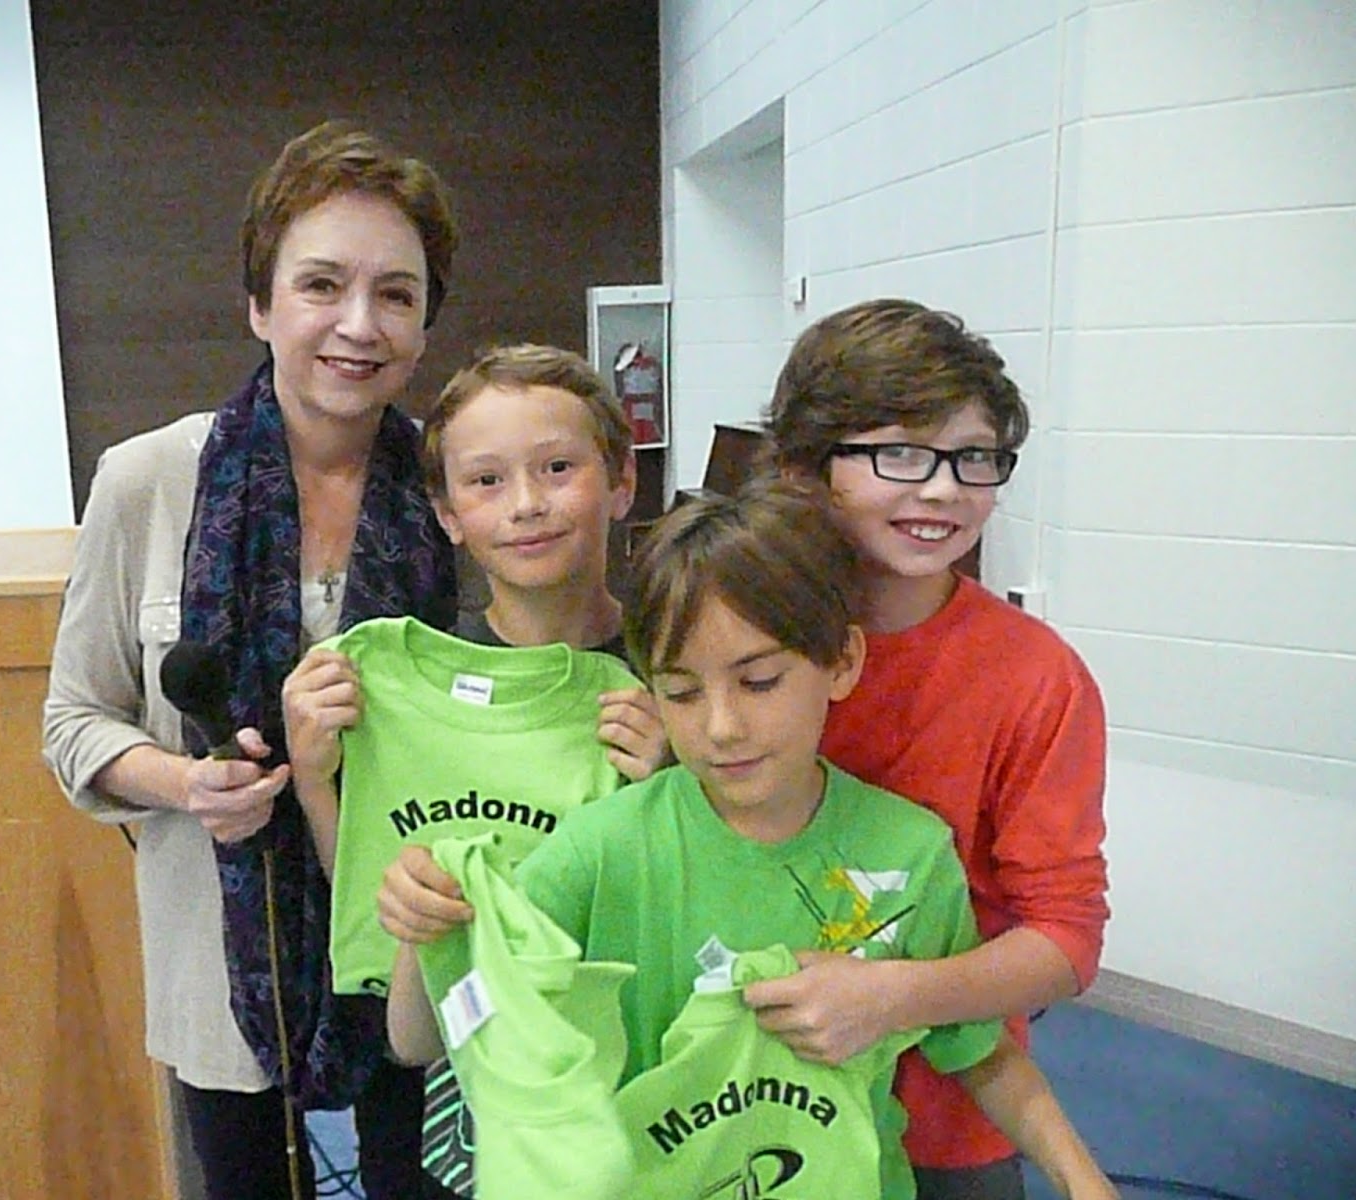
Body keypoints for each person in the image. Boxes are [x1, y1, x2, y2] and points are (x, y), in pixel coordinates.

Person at [378, 481, 1116, 1200]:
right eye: (682, 693)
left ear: (842, 663)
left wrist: (1083, 1179)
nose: (722, 728)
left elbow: (979, 1054)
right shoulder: (602, 849)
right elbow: (421, 1041)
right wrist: (422, 933)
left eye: (759, 682)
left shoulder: (910, 853)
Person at [42, 119, 459, 1200]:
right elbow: (75, 723)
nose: (359, 325)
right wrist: (189, 783)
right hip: (223, 958)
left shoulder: (459, 488)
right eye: (321, 285)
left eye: (397, 294)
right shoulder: (148, 481)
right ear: (260, 304)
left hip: (424, 947)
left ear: (425, 325)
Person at [283, 343, 667, 1197]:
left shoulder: (679, 673)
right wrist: (314, 782)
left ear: (621, 482)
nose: (527, 504)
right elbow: (373, 906)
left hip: (625, 1090)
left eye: (558, 468)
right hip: (439, 1095)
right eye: (486, 481)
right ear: (448, 513)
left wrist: (667, 786)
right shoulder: (390, 685)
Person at [753, 297, 1111, 1199]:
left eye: (973, 457)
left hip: (948, 1121)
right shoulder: (741, 644)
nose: (946, 489)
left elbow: (1065, 938)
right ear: (803, 468)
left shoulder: (1034, 677)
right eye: (901, 454)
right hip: (750, 1102)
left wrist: (891, 998)